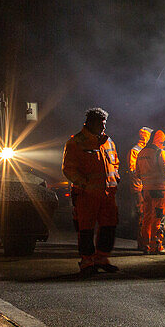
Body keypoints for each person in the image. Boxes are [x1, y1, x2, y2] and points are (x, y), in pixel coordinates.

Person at [62, 108, 121, 276]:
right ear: (91, 123)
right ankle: (87, 261)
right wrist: (84, 184)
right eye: (101, 124)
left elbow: (115, 163)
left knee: (109, 226)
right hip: (86, 195)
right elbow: (69, 169)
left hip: (108, 194)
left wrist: (115, 177)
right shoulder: (76, 142)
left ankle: (102, 258)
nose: (104, 127)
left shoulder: (108, 142)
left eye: (105, 124)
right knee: (86, 228)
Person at [135, 129, 165, 254]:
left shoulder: (142, 152)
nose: (163, 144)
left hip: (146, 191)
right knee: (158, 217)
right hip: (159, 191)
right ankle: (156, 246)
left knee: (147, 217)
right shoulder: (160, 152)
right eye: (162, 142)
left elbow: (137, 173)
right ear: (159, 140)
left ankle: (145, 245)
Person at [128, 127, 152, 251]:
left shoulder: (145, 150)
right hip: (139, 187)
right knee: (142, 215)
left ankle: (145, 242)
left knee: (146, 214)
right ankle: (142, 244)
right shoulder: (136, 151)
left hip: (145, 186)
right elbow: (133, 170)